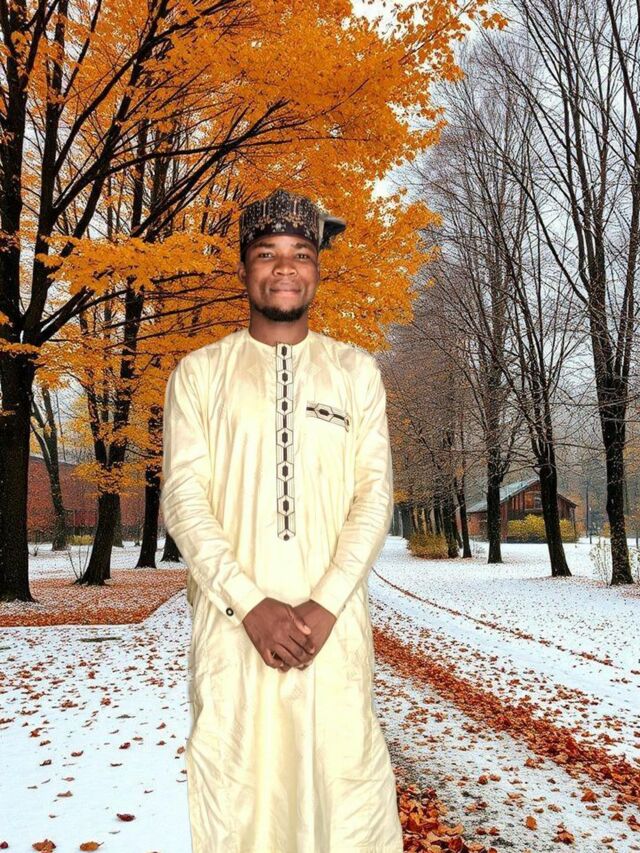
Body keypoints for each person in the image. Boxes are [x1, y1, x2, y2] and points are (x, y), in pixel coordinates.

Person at [160, 187, 403, 852]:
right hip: (233, 636)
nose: (285, 268)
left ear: (318, 268)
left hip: (333, 634)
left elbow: (373, 495)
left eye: (301, 253)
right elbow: (184, 498)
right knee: (240, 809)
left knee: (344, 808)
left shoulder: (355, 372)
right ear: (244, 267)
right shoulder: (199, 375)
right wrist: (250, 604)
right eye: (268, 253)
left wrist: (324, 603)